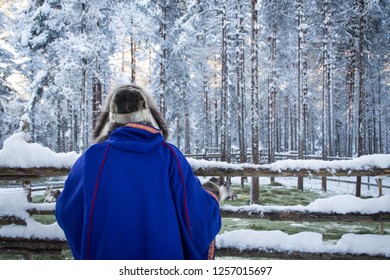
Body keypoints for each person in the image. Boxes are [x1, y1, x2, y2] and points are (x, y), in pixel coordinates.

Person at [55, 84, 221, 260]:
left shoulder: (91, 159)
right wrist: (211, 196)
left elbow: (68, 212)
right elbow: (195, 217)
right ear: (147, 115)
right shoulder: (169, 156)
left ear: (111, 119)